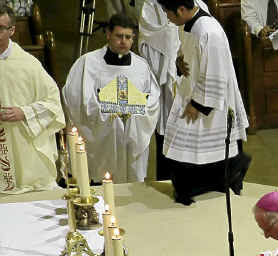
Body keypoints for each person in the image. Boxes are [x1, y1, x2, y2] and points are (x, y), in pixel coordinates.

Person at [157, 0, 250, 205]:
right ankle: (191, 189)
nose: (167, 17)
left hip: (210, 101)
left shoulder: (209, 32)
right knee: (189, 148)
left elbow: (216, 71)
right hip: (194, 90)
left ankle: (214, 185)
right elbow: (189, 54)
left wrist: (199, 105)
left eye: (168, 12)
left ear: (181, 9)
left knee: (206, 147)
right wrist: (179, 62)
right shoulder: (188, 25)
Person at [62, 13, 160, 183]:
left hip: (132, 132)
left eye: (128, 37)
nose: (123, 41)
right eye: (119, 36)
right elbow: (76, 98)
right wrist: (108, 114)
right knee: (102, 178)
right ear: (108, 34)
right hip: (102, 135)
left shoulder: (141, 66)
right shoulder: (88, 63)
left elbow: (152, 101)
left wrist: (135, 114)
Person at [139, 0, 209, 180]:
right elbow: (147, 43)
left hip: (191, 83)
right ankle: (167, 182)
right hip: (166, 86)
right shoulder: (151, 6)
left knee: (193, 138)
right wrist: (170, 44)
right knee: (168, 137)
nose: (169, 18)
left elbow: (204, 44)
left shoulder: (198, 4)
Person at [0, 4, 64, 194]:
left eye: (0, 28)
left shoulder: (28, 64)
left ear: (12, 30)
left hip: (21, 147)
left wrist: (24, 112)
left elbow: (53, 103)